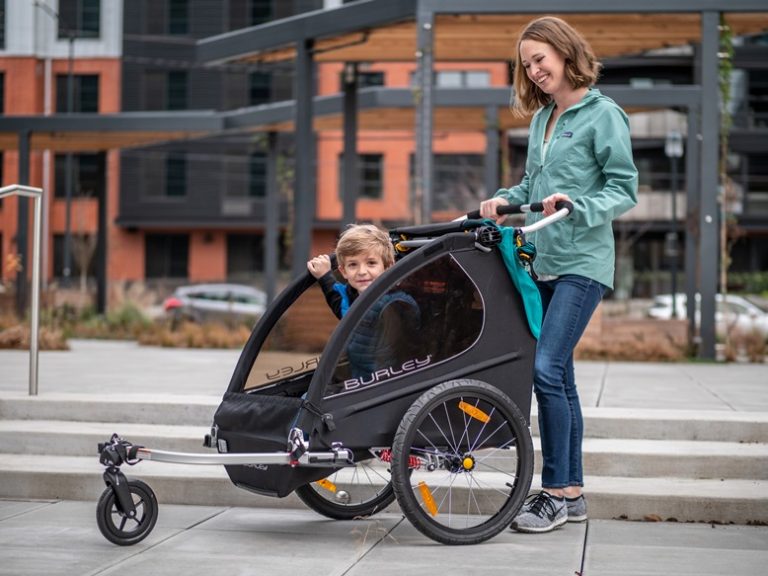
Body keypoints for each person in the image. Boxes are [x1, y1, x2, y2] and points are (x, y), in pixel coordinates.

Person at [479, 16, 638, 534]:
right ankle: (571, 495)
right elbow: (531, 183)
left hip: (582, 264)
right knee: (559, 377)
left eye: (539, 58)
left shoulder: (603, 114)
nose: (534, 69)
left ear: (566, 53)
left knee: (545, 369)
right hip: (540, 261)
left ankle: (552, 491)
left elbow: (623, 187)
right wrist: (505, 200)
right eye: (526, 64)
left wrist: (579, 203)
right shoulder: (542, 119)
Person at [307, 224, 419, 381]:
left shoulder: (395, 304)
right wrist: (324, 276)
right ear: (343, 271)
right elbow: (341, 305)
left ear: (388, 267)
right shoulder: (354, 298)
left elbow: (393, 356)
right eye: (353, 264)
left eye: (371, 263)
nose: (362, 271)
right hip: (358, 379)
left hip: (381, 386)